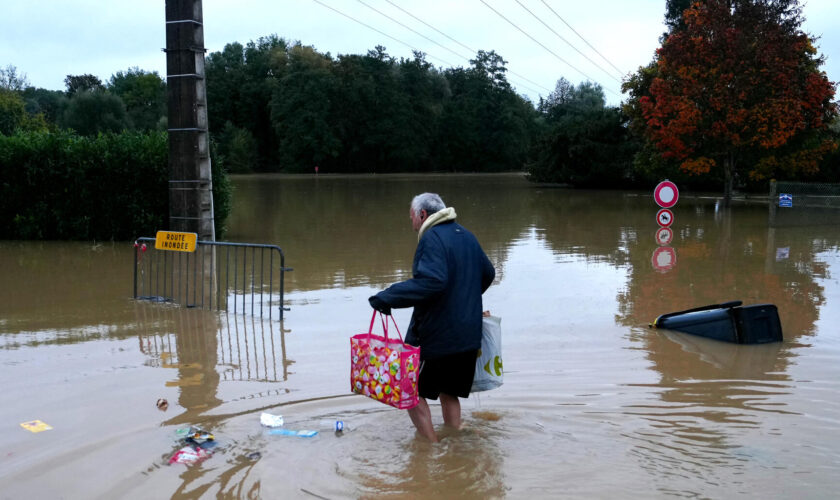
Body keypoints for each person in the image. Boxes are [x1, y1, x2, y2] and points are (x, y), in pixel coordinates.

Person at [369, 192, 495, 442]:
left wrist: (388, 297)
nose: (412, 224)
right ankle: (455, 438)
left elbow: (432, 282)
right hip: (469, 335)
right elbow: (488, 273)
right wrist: (463, 301)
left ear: (423, 215)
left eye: (412, 218)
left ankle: (430, 447)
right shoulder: (467, 236)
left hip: (439, 336)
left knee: (408, 389)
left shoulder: (432, 239)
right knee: (449, 390)